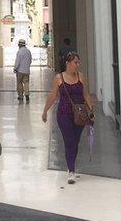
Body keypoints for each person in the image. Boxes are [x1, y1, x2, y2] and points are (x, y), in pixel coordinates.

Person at [41, 52, 96, 184]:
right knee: (69, 141)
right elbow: (53, 96)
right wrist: (45, 111)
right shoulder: (59, 78)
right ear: (68, 63)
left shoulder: (81, 77)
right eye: (75, 62)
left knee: (75, 142)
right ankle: (71, 171)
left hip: (80, 114)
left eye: (78, 62)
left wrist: (91, 108)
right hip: (64, 114)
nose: (78, 65)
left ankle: (72, 167)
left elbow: (85, 94)